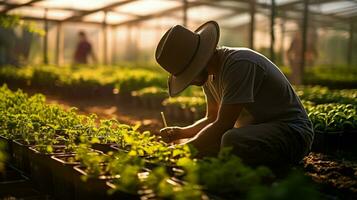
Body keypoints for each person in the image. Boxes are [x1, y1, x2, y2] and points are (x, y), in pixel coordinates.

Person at [156, 21, 314, 170]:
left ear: (200, 61)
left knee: (231, 140)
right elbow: (212, 118)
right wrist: (181, 133)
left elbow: (224, 124)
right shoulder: (209, 77)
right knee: (210, 145)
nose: (190, 82)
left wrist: (183, 150)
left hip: (292, 133)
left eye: (189, 75)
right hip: (255, 132)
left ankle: (272, 174)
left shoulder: (239, 64)